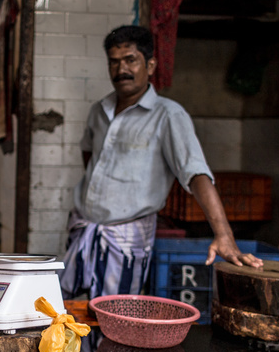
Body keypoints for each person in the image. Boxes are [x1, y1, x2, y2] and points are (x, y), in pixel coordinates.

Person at [59, 25, 262, 301]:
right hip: (84, 227)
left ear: (150, 65)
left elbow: (196, 175)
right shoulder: (100, 110)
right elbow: (90, 156)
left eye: (131, 60)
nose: (122, 70)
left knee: (113, 317)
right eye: (114, 62)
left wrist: (224, 235)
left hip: (127, 237)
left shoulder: (169, 115)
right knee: (63, 312)